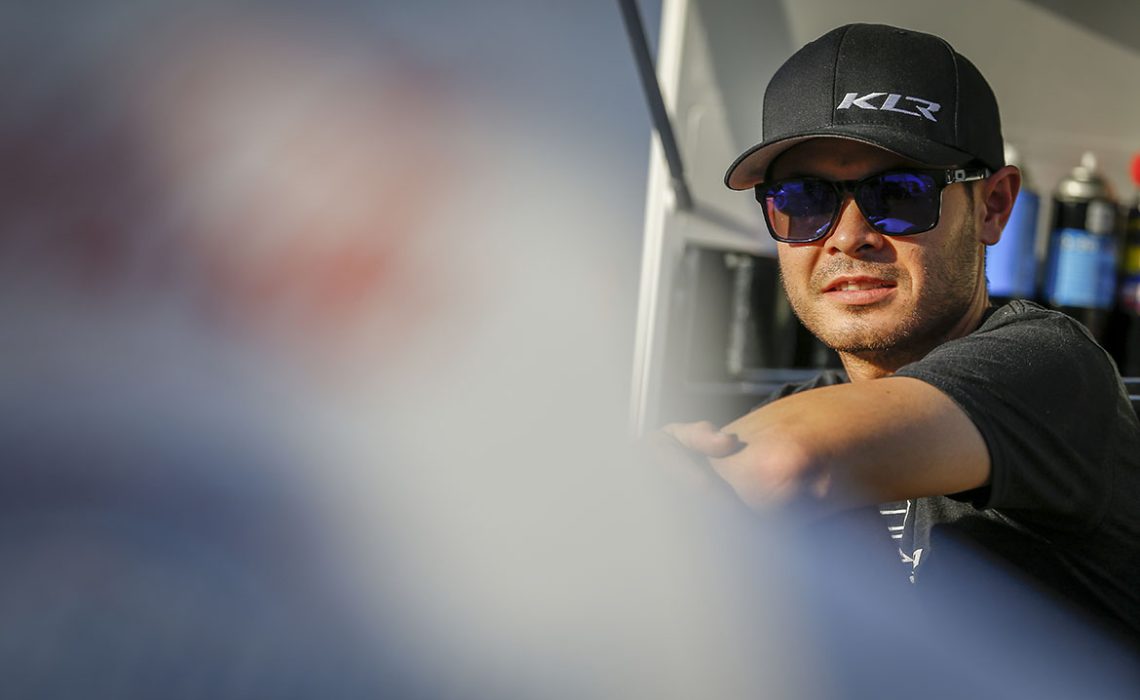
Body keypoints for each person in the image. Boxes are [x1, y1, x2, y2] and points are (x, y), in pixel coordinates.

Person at [663, 23, 1140, 644]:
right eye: (803, 199)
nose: (845, 235)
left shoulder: (1050, 369)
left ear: (993, 207)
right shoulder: (790, 409)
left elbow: (790, 465)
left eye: (899, 193)